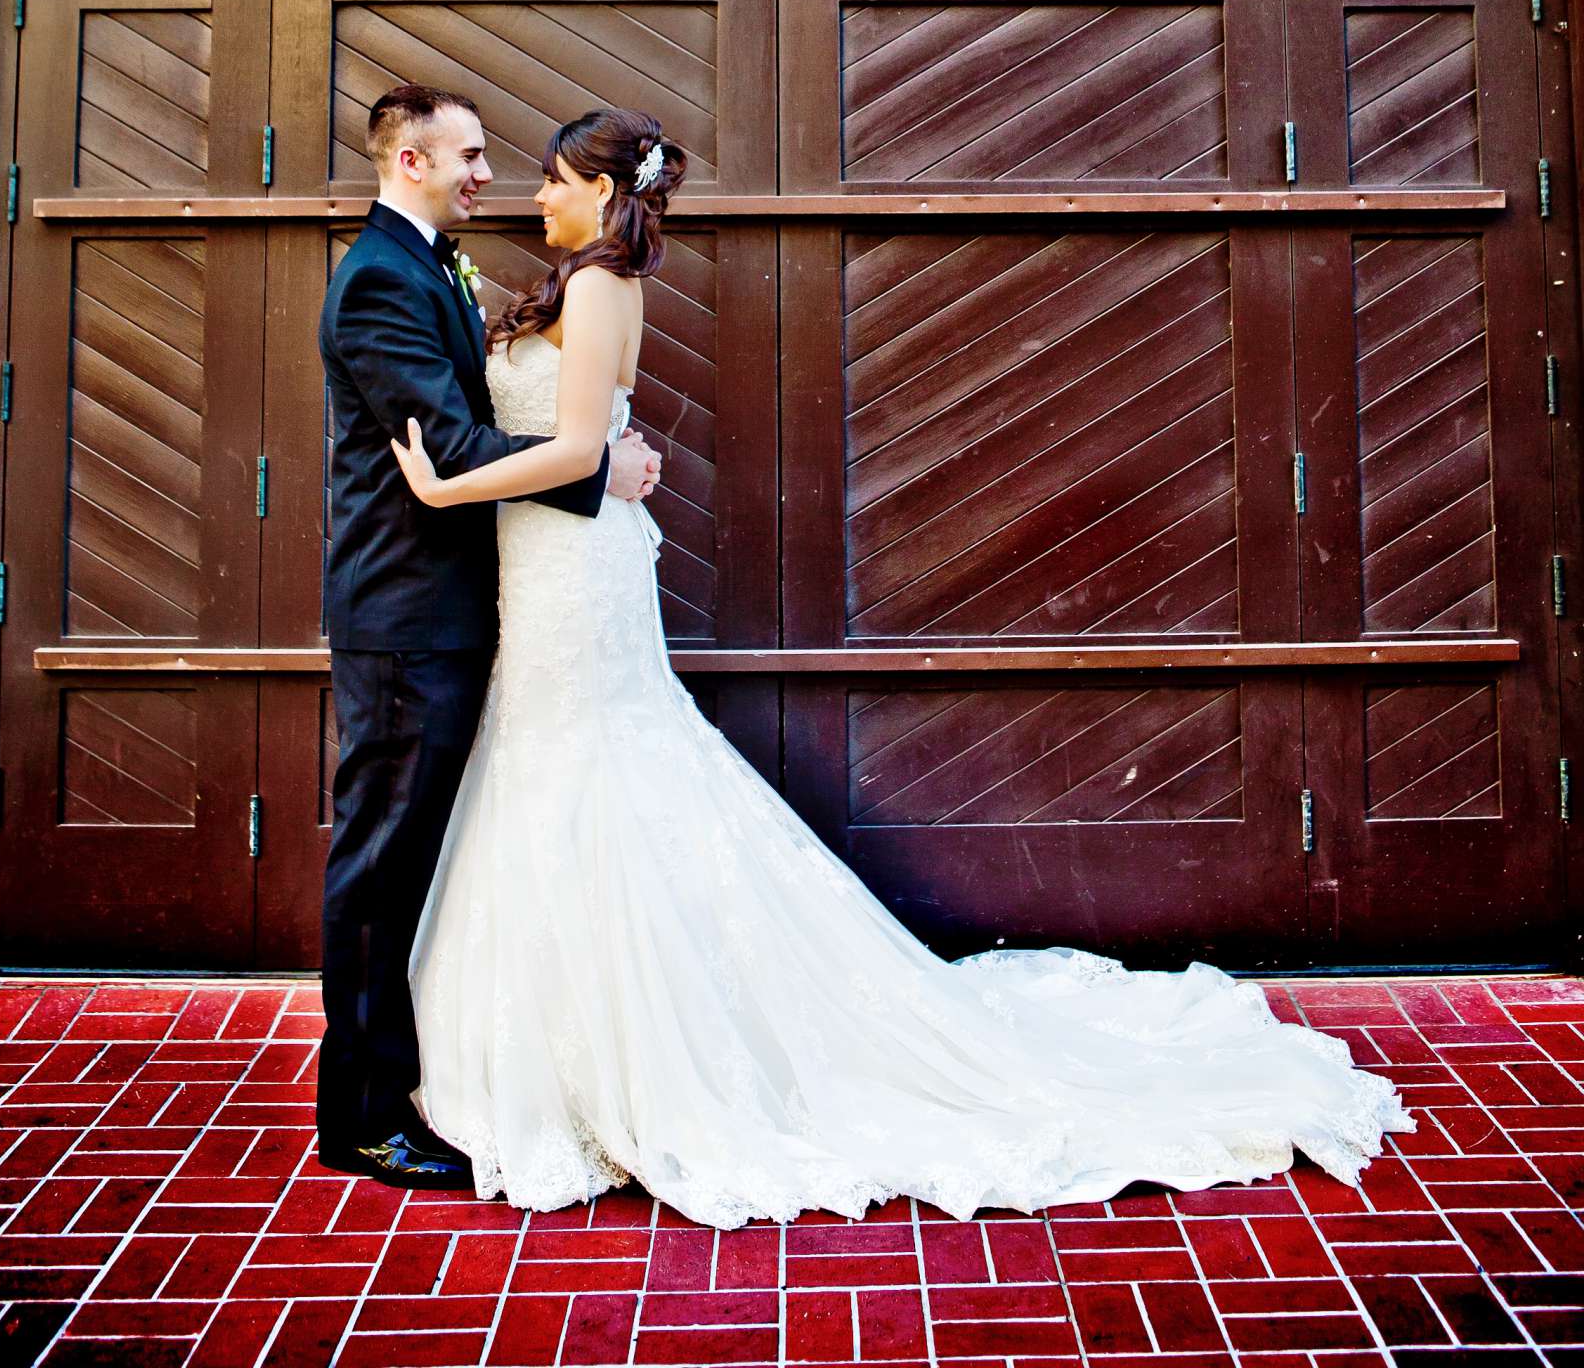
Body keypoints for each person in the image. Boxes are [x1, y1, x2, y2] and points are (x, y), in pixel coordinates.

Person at [391, 105, 1415, 1228]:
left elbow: (580, 449)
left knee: (588, 771)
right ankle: (575, 1042)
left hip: (573, 569)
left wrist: (441, 488)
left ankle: (628, 1061)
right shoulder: (580, 284)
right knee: (565, 771)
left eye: (548, 180)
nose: (533, 196)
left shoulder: (597, 289)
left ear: (597, 190)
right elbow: (582, 436)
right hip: (550, 565)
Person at [315, 82, 660, 1189]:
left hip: (472, 610)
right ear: (409, 162)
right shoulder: (378, 281)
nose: (486, 174)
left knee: (412, 851)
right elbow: (450, 446)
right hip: (407, 616)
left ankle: (412, 1080)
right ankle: (363, 1115)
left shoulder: (425, 266)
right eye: (466, 156)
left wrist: (600, 454)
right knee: (380, 862)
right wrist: (603, 473)